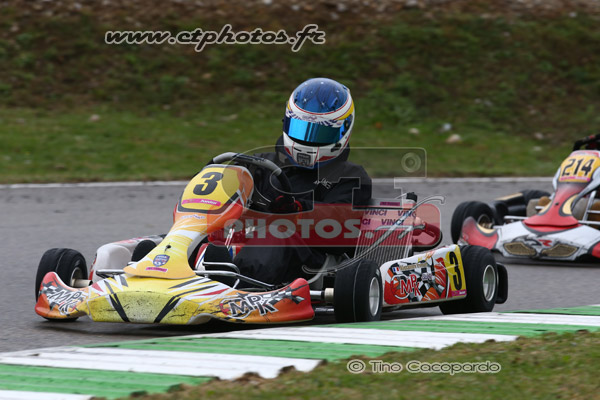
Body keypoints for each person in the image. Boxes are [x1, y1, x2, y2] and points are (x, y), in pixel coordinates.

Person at [230, 77, 372, 284]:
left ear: (344, 131)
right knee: (204, 233)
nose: (307, 140)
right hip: (246, 241)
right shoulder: (258, 165)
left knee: (276, 233)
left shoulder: (351, 177)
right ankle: (186, 275)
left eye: (321, 133)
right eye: (299, 129)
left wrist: (298, 210)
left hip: (309, 260)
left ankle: (239, 284)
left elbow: (341, 227)